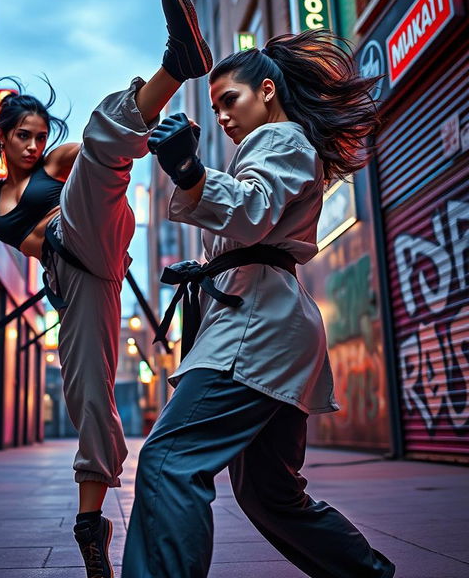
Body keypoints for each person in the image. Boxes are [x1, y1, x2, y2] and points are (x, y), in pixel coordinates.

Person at [0, 0, 212, 578]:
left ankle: (177, 65)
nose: (32, 144)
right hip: (75, 284)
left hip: (94, 230)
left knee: (103, 133)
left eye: (37, 135)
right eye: (20, 135)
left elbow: (111, 144)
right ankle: (89, 522)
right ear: (1, 137)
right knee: (89, 398)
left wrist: (165, 146)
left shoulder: (57, 162)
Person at [121, 29, 396, 578]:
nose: (222, 115)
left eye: (231, 100)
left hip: (257, 328)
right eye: (216, 104)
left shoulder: (280, 139)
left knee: (169, 461)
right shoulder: (279, 146)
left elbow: (251, 211)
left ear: (267, 90)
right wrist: (204, 266)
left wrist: (191, 172)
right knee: (271, 494)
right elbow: (252, 226)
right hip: (269, 322)